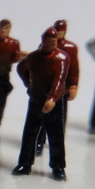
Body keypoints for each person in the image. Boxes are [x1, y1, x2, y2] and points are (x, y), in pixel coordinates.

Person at [12, 27, 70, 181]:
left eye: (54, 42)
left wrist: (52, 98)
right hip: (36, 100)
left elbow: (59, 80)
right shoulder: (33, 57)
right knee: (29, 133)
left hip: (54, 104)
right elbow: (20, 68)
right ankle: (24, 164)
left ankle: (58, 167)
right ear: (43, 42)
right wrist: (28, 83)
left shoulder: (62, 58)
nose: (52, 45)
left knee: (56, 136)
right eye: (49, 42)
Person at [35, 19, 78, 155]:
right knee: (43, 116)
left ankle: (58, 143)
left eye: (61, 32)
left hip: (62, 88)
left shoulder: (71, 47)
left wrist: (73, 85)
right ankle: (39, 141)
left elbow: (74, 68)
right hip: (45, 88)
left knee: (60, 119)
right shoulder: (44, 46)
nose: (58, 35)